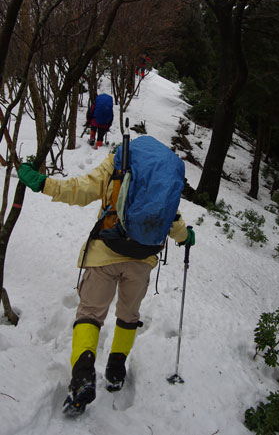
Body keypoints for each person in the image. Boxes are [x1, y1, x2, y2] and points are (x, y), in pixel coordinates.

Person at [17, 150, 195, 416]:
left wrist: (42, 183)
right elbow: (173, 218)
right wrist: (185, 237)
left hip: (105, 252)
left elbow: (79, 189)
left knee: (90, 313)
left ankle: (83, 375)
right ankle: (116, 368)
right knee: (128, 314)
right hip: (141, 260)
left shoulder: (118, 162)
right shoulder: (160, 179)